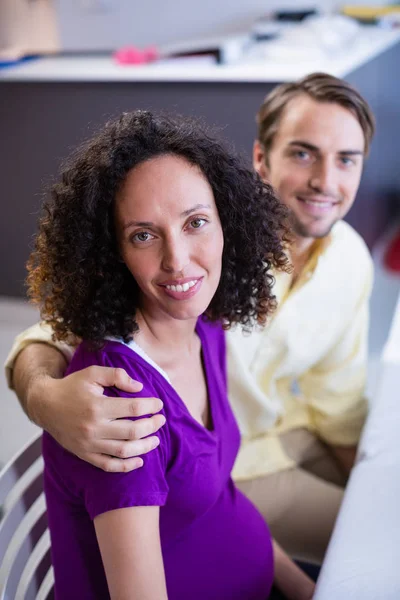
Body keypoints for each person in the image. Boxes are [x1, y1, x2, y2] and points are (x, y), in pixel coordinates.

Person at [6, 72, 375, 566]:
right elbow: (54, 333)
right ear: (262, 159)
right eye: (303, 153)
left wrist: (371, 479)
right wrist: (43, 396)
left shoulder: (350, 260)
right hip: (222, 469)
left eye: (346, 159)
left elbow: (341, 403)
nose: (326, 181)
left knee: (383, 504)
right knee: (375, 540)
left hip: (293, 435)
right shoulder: (199, 263)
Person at [25, 110, 316, 599]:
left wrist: (304, 589)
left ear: (228, 222)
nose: (177, 260)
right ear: (112, 251)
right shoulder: (119, 408)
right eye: (144, 234)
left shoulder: (203, 328)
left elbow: (221, 502)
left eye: (195, 223)